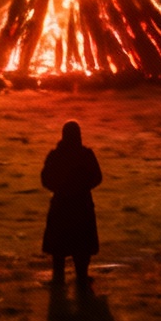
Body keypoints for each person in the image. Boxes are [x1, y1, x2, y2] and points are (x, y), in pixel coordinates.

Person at [41, 120, 102, 282]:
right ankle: (82, 277)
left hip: (61, 204)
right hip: (82, 204)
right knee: (82, 245)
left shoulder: (55, 155)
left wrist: (59, 189)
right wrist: (83, 188)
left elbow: (45, 178)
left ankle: (58, 278)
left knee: (59, 246)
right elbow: (97, 177)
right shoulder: (86, 155)